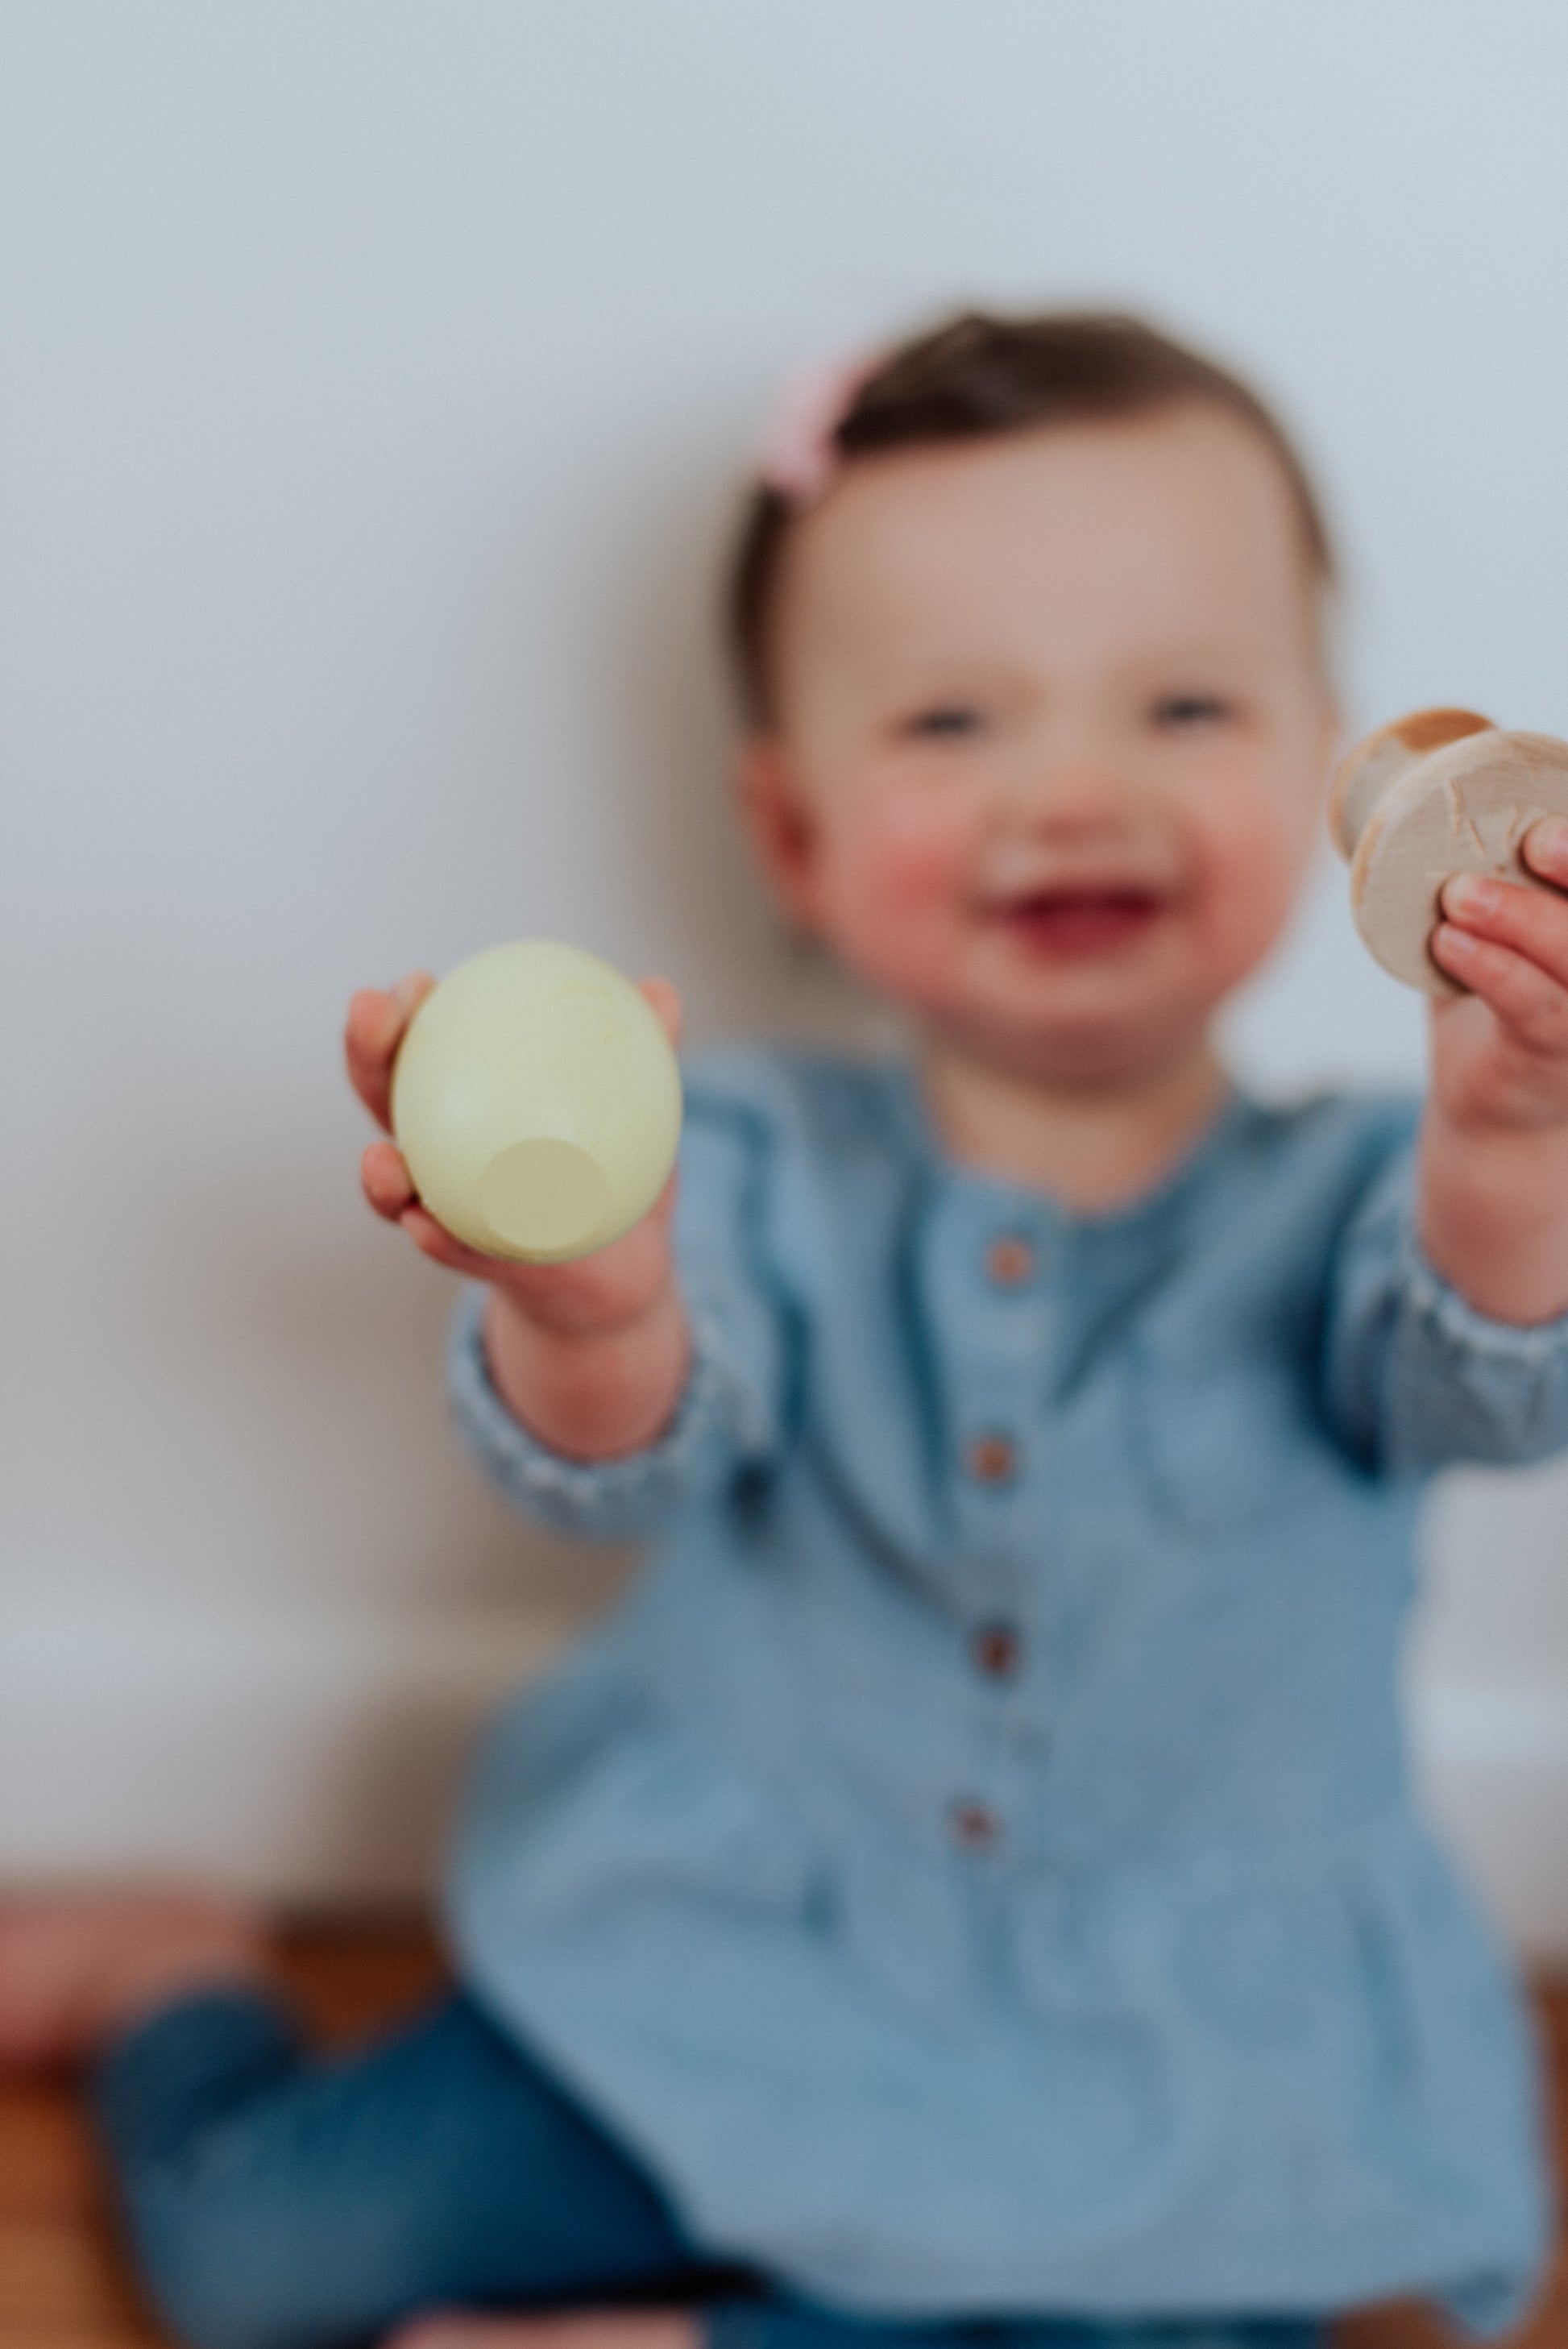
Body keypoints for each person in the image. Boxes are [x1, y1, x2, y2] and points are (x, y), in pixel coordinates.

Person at [6, 309, 1568, 2349]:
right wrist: (594, 1292)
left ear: (1330, 768)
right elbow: (628, 1439)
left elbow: (1477, 1375)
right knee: (253, 2265)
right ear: (791, 834)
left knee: (1188, 2324)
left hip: (1170, 2071)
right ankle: (165, 1983)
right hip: (742, 1966)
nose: (1072, 790)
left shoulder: (1371, 1187)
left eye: (1181, 704)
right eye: (950, 724)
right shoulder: (732, 1149)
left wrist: (1515, 1135)